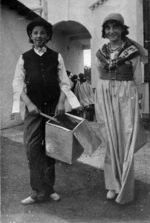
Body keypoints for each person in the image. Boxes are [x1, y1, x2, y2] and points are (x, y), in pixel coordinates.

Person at [12, 17, 80, 205]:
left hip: (53, 109)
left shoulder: (56, 56)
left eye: (43, 32)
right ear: (30, 36)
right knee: (32, 149)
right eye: (35, 33)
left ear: (48, 36)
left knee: (52, 148)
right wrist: (29, 104)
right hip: (33, 110)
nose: (39, 36)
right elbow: (17, 84)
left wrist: (60, 104)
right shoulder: (24, 57)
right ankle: (36, 191)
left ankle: (49, 190)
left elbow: (65, 83)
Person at [95, 13, 148, 204]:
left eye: (115, 27)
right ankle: (112, 185)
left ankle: (125, 187)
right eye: (107, 28)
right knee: (110, 139)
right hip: (106, 96)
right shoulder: (101, 51)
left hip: (127, 96)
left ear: (122, 29)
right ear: (104, 31)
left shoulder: (132, 51)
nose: (111, 31)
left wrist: (137, 104)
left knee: (125, 140)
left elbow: (138, 81)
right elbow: (99, 77)